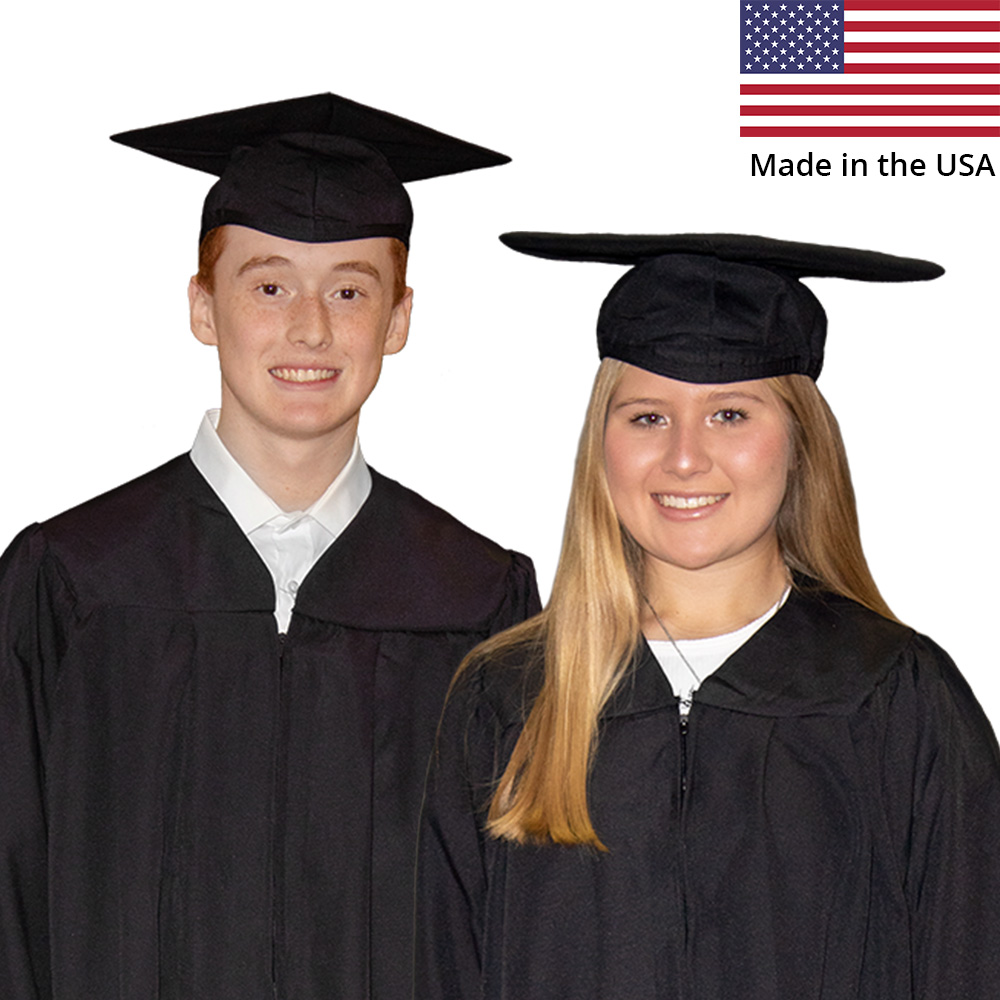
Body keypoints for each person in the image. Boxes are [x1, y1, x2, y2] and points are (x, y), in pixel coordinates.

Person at [0, 93, 540, 1000]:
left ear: (398, 321)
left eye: (350, 289)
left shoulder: (482, 601)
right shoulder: (71, 583)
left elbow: (529, 925)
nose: (310, 328)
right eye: (269, 283)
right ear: (203, 307)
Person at [415, 233, 1000, 1000]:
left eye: (730, 414)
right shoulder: (508, 699)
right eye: (647, 418)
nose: (685, 458)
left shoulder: (894, 697)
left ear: (799, 442)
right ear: (603, 445)